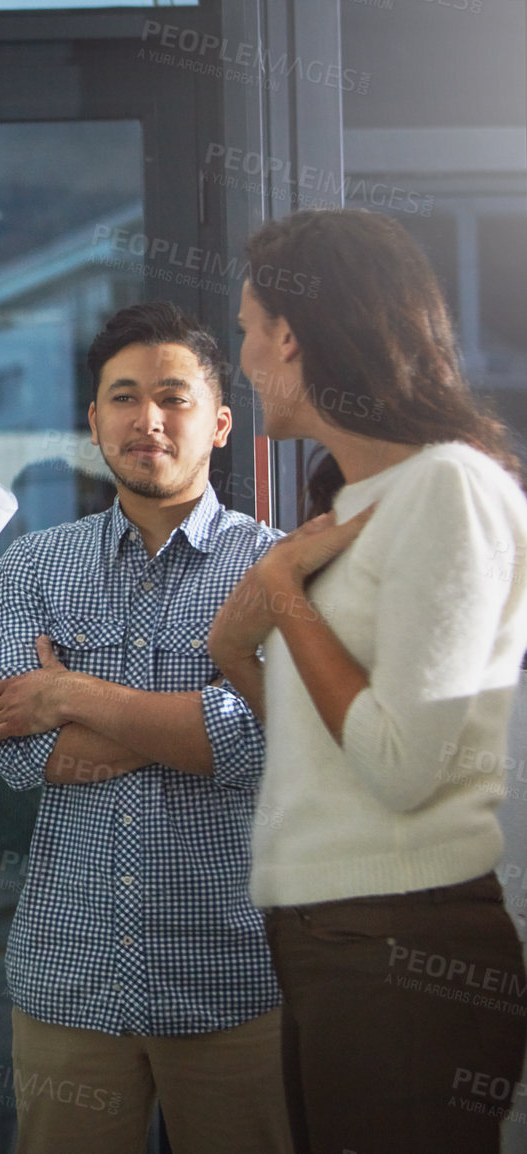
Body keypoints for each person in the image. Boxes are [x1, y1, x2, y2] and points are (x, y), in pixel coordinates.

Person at [209, 208, 527, 1154]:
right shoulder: (349, 506)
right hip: (330, 939)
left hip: (403, 948)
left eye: (244, 330)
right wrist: (237, 641)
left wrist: (282, 600)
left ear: (292, 336)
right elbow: (326, 747)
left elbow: (397, 766)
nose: (241, 358)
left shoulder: (447, 489)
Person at [0, 301, 291, 1154]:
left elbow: (261, 741)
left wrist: (69, 692)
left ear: (219, 423)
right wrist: (191, 726)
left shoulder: (275, 564)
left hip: (231, 976)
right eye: (122, 397)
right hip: (68, 980)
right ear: (92, 420)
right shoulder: (35, 564)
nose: (146, 420)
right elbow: (17, 753)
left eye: (173, 398)